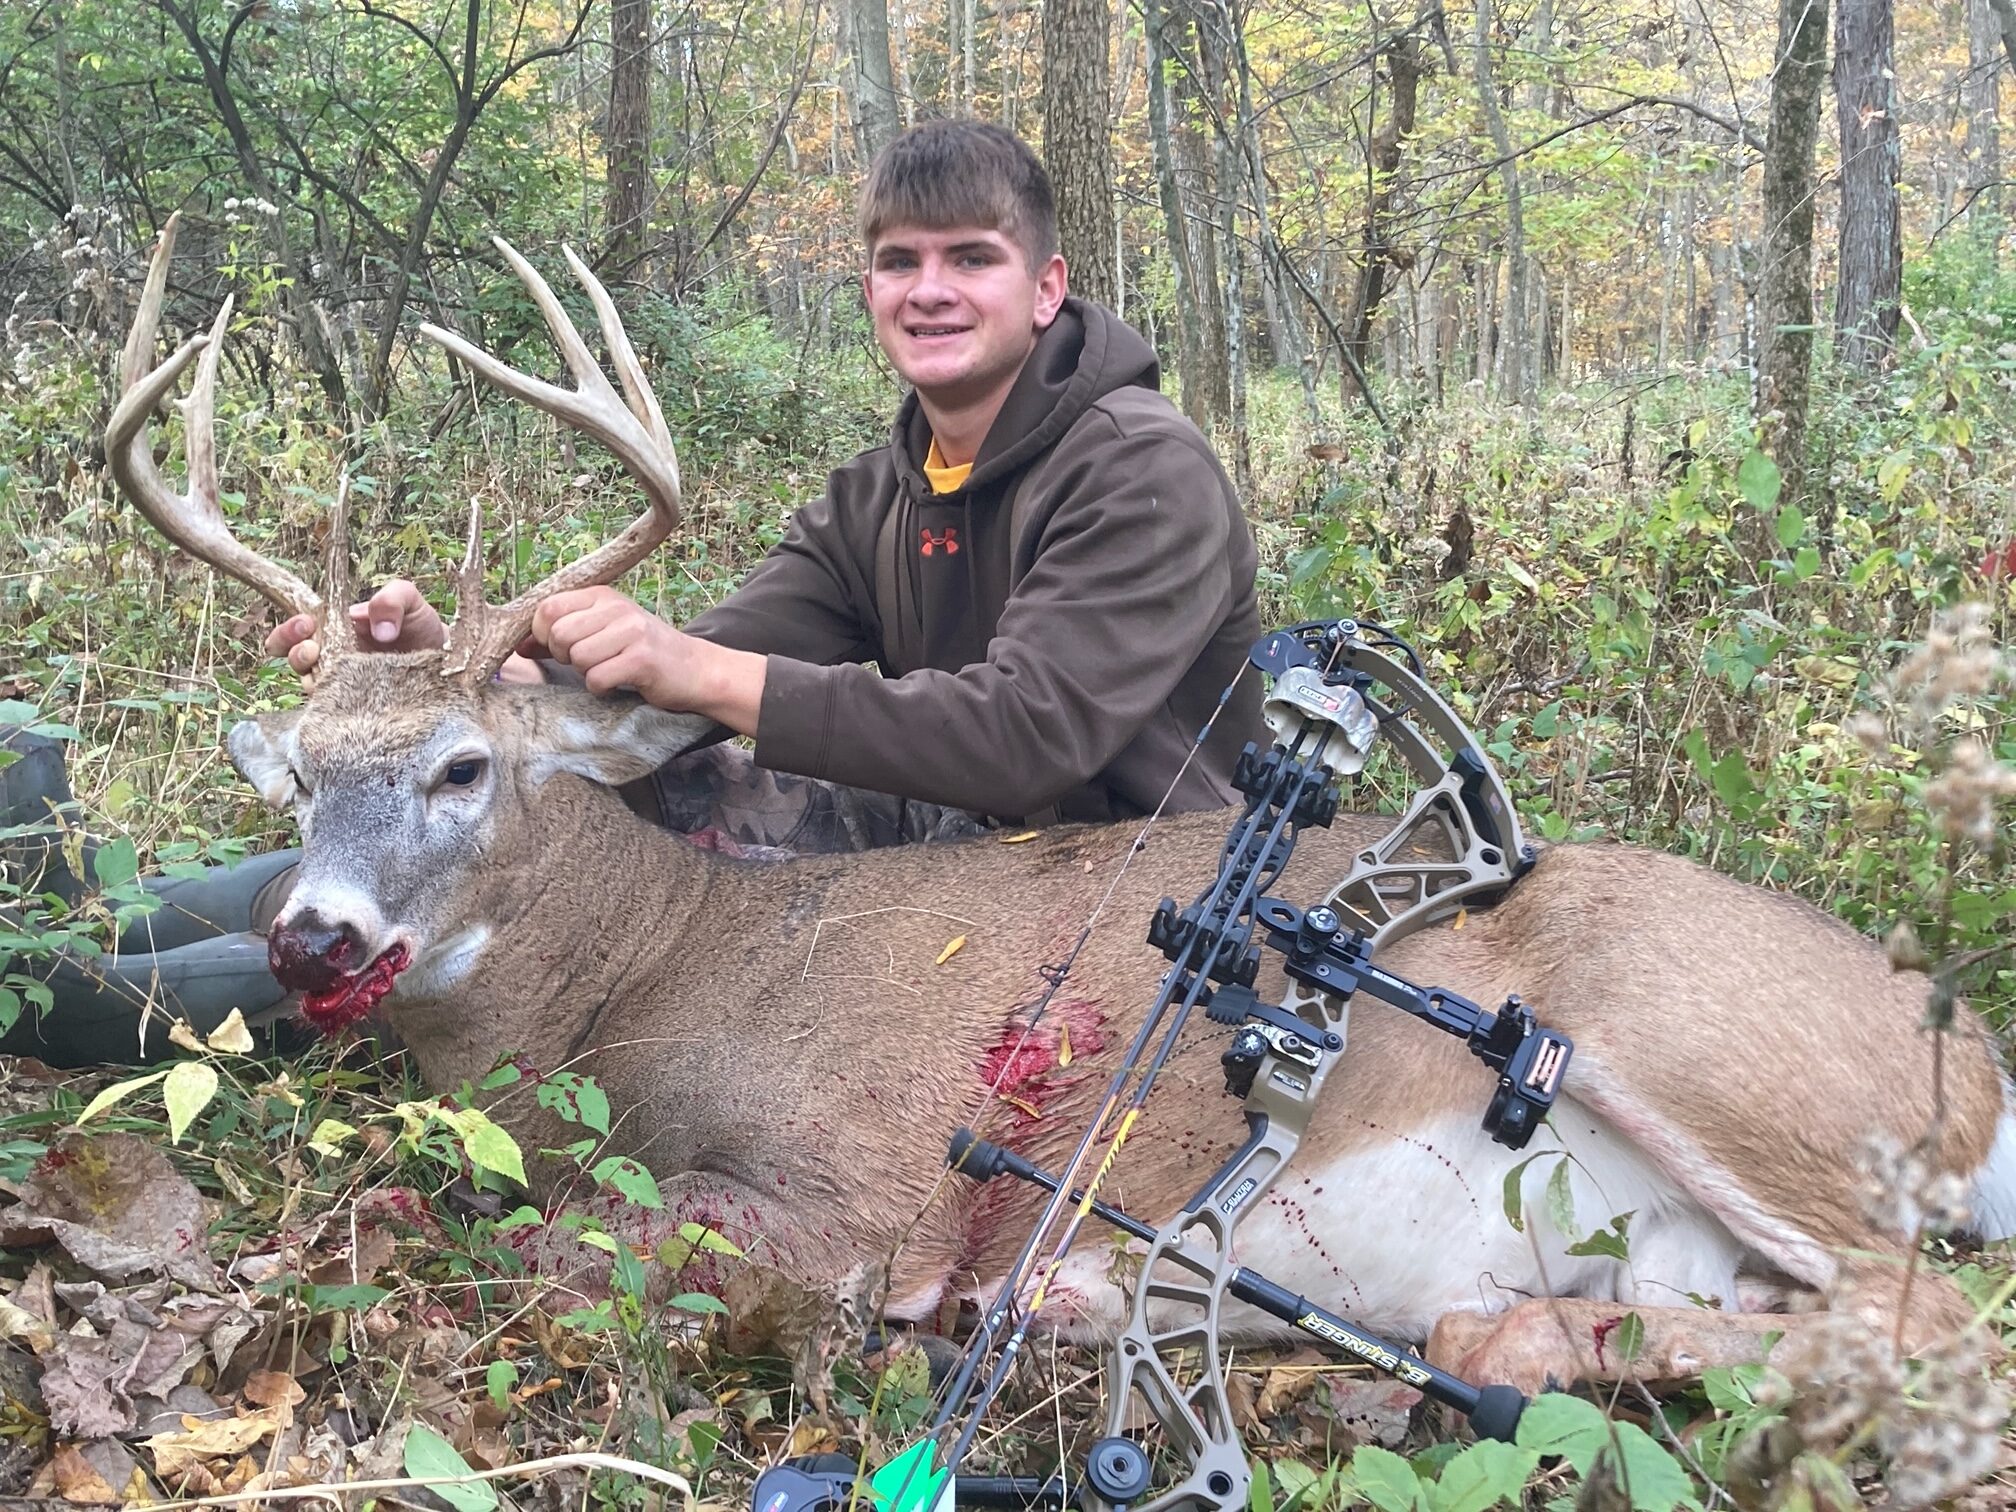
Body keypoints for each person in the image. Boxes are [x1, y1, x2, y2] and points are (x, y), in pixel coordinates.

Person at [1, 118, 1264, 1064]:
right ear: (870, 287)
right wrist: (463, 677)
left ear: (1045, 288)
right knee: (542, 782)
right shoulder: (882, 489)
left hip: (1116, 880)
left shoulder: (1142, 468)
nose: (929, 288)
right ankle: (82, 904)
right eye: (897, 260)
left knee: (574, 850)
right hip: (943, 837)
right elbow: (685, 667)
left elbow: (1024, 734)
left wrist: (700, 675)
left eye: (970, 258)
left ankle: (93, 998)